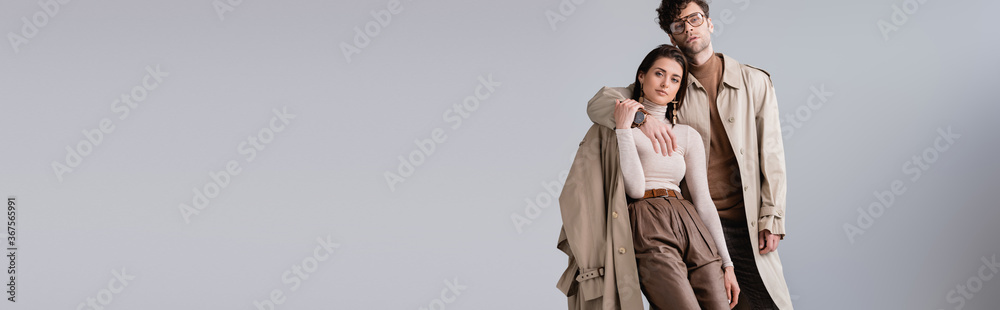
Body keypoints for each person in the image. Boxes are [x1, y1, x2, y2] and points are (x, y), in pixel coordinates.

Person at [585, 1, 794, 309]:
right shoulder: (669, 84)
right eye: (678, 25)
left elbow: (773, 153)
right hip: (690, 218)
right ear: (673, 37)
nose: (689, 28)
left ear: (709, 23)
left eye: (695, 19)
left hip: (747, 221)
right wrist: (643, 119)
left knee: (763, 303)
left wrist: (773, 215)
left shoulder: (754, 82)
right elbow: (601, 103)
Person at [615, 44, 739, 310]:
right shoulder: (626, 129)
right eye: (659, 73)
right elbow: (635, 189)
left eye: (675, 79)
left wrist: (727, 264)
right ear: (641, 76)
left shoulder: (687, 135)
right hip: (648, 218)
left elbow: (703, 200)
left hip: (690, 219)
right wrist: (624, 130)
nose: (665, 84)